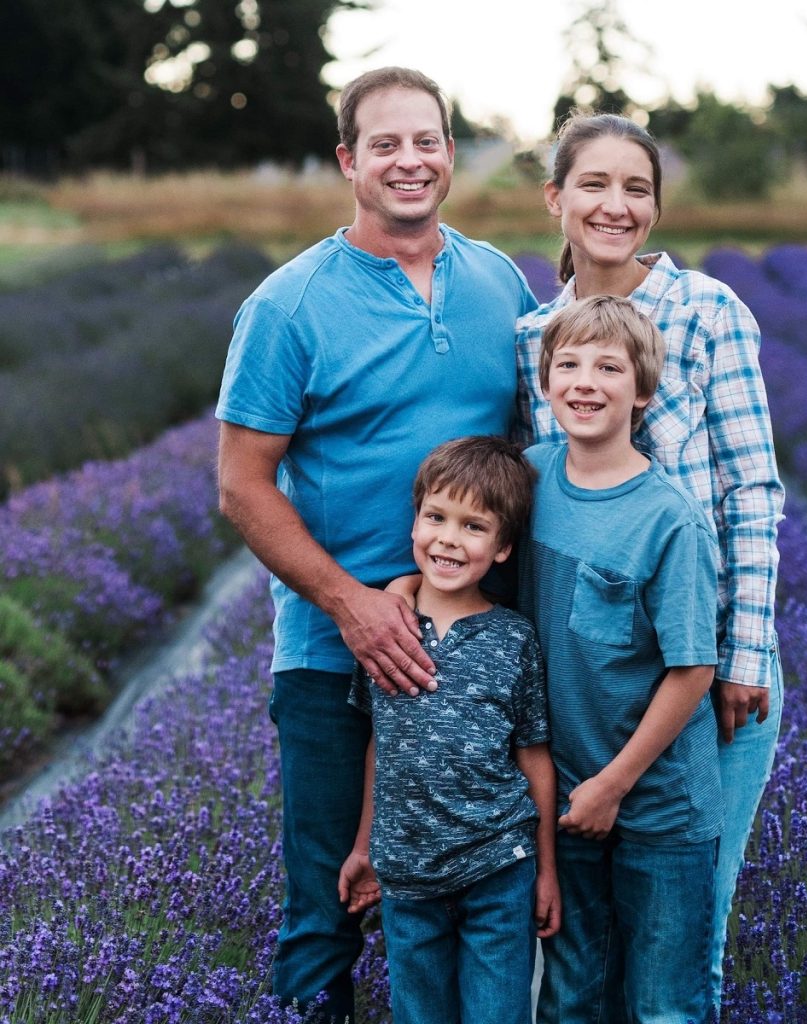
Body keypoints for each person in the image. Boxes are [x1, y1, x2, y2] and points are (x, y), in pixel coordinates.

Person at [215, 67, 539, 1018]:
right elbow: (241, 485)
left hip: (476, 655)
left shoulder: (497, 280)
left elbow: (532, 453)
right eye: (386, 144)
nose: (411, 161)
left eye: (428, 140)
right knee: (329, 909)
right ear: (349, 162)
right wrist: (351, 605)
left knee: (491, 900)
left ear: (449, 151)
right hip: (333, 657)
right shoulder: (289, 304)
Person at [515, 111, 785, 1014]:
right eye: (593, 184)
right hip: (588, 674)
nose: (615, 205)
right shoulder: (534, 337)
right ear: (555, 198)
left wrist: (744, 656)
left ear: (657, 208)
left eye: (637, 188)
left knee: (686, 932)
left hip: (702, 666)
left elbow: (751, 489)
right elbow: (538, 499)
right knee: (578, 951)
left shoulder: (709, 309)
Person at [521, 294, 721, 1022]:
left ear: (642, 392)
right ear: (544, 383)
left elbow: (693, 668)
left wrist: (614, 784)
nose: (584, 381)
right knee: (572, 994)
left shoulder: (669, 518)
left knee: (665, 1002)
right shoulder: (531, 478)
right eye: (567, 364)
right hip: (569, 797)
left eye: (609, 367)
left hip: (658, 805)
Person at [338, 435, 560, 1024]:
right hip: (407, 874)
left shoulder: (514, 638)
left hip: (498, 865)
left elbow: (534, 757)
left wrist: (546, 870)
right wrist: (365, 848)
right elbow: (379, 748)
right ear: (414, 523)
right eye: (436, 517)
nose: (448, 539)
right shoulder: (389, 632)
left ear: (504, 546)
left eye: (473, 527)